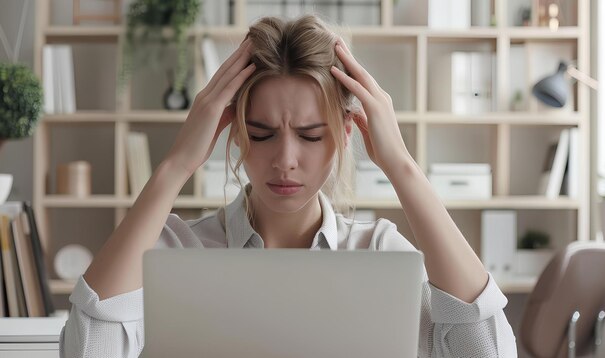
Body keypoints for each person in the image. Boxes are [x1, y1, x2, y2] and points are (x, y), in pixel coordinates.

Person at [60, 15, 517, 358]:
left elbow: (486, 352)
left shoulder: (379, 254)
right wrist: (175, 165)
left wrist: (403, 168)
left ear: (344, 134)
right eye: (260, 133)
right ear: (235, 132)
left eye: (312, 135)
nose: (284, 160)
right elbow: (90, 348)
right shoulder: (175, 251)